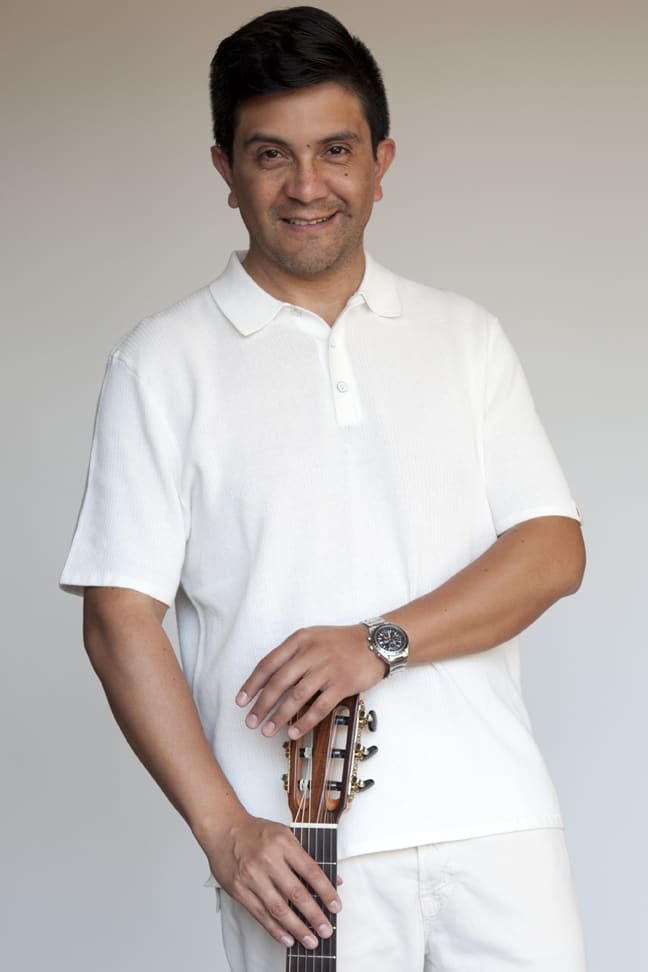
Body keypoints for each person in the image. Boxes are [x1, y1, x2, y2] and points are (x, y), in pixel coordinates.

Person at [61, 6, 588, 970]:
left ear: (381, 163)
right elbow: (117, 618)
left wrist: (377, 643)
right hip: (300, 850)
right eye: (271, 155)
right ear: (225, 171)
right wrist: (225, 830)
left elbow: (552, 550)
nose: (307, 186)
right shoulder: (161, 362)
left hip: (500, 823)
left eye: (335, 151)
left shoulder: (464, 337)